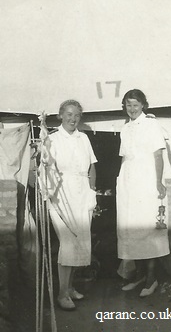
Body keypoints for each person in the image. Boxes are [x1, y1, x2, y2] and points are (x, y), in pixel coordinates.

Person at [116, 89, 170, 297]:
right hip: (129, 182)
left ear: (143, 105)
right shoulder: (125, 128)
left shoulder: (151, 124)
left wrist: (157, 181)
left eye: (135, 105)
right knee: (131, 228)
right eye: (128, 105)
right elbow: (124, 157)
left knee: (148, 228)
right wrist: (121, 181)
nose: (132, 109)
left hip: (146, 179)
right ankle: (138, 275)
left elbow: (158, 155)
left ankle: (151, 278)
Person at [45, 99, 97, 310]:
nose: (73, 119)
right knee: (68, 242)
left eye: (76, 115)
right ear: (60, 115)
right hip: (62, 194)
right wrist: (52, 195)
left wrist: (92, 192)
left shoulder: (83, 138)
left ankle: (70, 288)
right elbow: (47, 170)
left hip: (83, 192)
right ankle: (61, 293)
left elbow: (92, 167)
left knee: (81, 242)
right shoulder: (51, 139)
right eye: (68, 114)